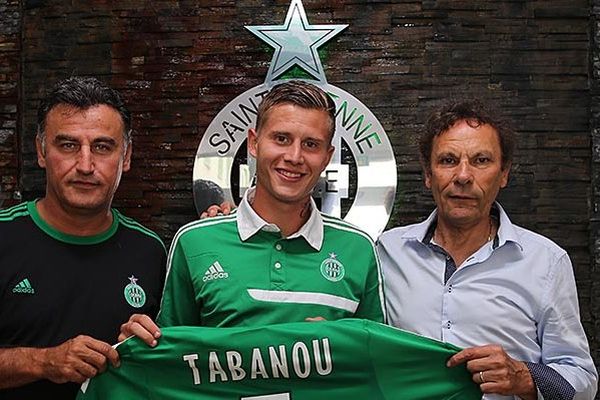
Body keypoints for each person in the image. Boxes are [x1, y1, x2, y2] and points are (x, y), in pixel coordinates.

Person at [119, 80, 385, 346]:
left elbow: (379, 361)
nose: (294, 156)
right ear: (254, 143)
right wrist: (137, 348)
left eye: (311, 145)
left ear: (327, 158)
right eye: (281, 139)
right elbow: (170, 358)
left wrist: (342, 343)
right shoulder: (194, 242)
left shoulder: (358, 249)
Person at [377, 99, 598, 400]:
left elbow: (582, 380)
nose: (464, 176)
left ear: (504, 173)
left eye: (481, 160)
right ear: (428, 174)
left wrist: (524, 377)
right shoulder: (386, 252)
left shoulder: (546, 262)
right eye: (448, 160)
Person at [0, 76, 166, 399]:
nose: (86, 165)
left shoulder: (151, 251)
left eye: (103, 147)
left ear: (126, 156)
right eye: (68, 145)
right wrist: (45, 362)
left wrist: (144, 346)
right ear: (41, 151)